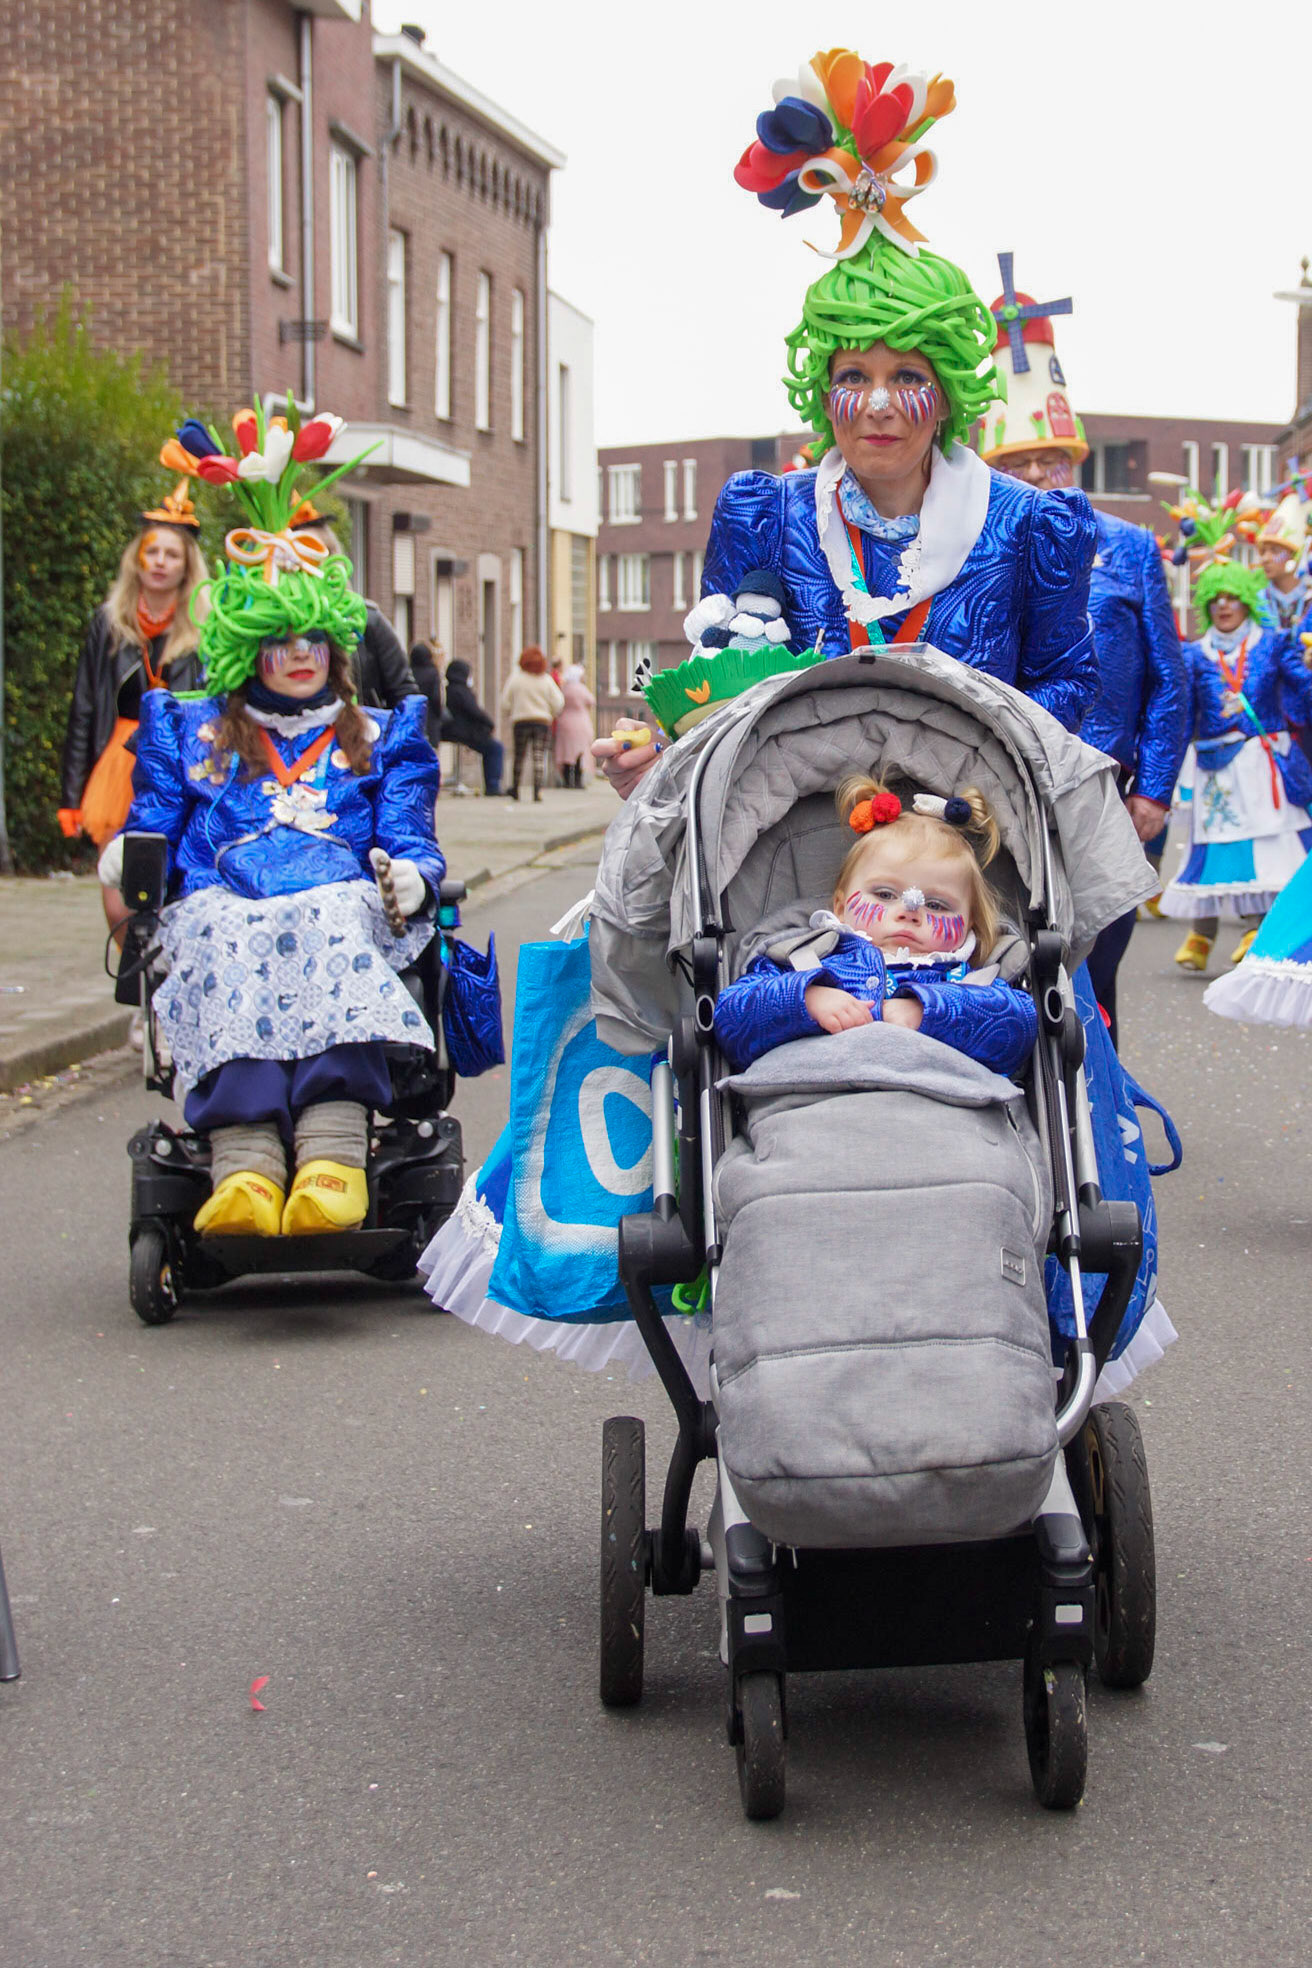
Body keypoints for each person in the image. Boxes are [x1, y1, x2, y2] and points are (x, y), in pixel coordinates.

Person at [595, 62, 1096, 796]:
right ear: (824, 393)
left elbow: (1067, 683)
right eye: (854, 375)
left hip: (965, 839)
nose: (878, 404)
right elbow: (720, 682)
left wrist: (976, 762)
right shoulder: (767, 515)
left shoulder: (1028, 526)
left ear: (947, 395)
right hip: (789, 845)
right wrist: (659, 755)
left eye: (909, 376)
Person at [98, 400, 443, 1238]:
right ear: (245, 648)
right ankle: (246, 1165)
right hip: (227, 899)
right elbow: (157, 820)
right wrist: (132, 855)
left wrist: (413, 874)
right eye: (279, 639)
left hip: (340, 897)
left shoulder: (383, 734)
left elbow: (407, 830)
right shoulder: (189, 728)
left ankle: (330, 1155)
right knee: (215, 925)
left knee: (333, 918)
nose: (298, 655)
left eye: (313, 640)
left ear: (335, 648)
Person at [977, 255, 1188, 1046]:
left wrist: (1155, 789)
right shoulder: (981, 548)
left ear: (1076, 458)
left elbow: (1169, 682)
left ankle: (1105, 1106)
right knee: (1015, 969)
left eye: (1050, 459)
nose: (1038, 475)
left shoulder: (1130, 547)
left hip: (1113, 794)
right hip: (1010, 795)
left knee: (1101, 974)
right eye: (1018, 463)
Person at [714, 778, 1037, 1076]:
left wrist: (929, 1010)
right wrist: (806, 999)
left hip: (944, 1109)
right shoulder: (805, 962)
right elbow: (731, 1019)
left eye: (936, 905)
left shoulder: (969, 981)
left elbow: (1018, 1030)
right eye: (884, 895)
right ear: (840, 907)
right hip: (813, 1101)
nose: (909, 912)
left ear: (969, 925)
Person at [59, 484, 209, 942]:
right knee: (117, 893)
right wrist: (71, 795)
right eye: (152, 552)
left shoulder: (204, 626)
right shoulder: (108, 622)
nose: (160, 562)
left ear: (187, 566)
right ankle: (133, 972)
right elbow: (84, 708)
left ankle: (163, 975)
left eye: (172, 554)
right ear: (137, 559)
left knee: (172, 886)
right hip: (119, 763)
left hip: (178, 761)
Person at [1159, 558, 1312, 970]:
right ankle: (1202, 934)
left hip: (1262, 764)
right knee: (1214, 848)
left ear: (1247, 602)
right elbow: (1182, 716)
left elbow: (1304, 690)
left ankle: (1259, 928)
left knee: (1267, 846)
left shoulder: (1273, 643)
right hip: (1215, 768)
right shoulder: (1195, 654)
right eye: (1216, 599)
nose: (1224, 606)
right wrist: (1165, 776)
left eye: (1233, 598)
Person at [287, 509, 416, 708]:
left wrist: (383, 726)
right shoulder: (276, 624)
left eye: (314, 555)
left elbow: (405, 694)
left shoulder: (367, 620)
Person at [500, 647, 564, 802]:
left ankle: (515, 789)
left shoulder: (516, 679)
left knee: (519, 756)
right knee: (539, 756)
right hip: (541, 721)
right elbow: (559, 702)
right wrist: (551, 713)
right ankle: (537, 791)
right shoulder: (546, 680)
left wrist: (512, 711)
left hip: (521, 721)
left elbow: (505, 702)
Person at [442, 659, 504, 796]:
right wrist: (489, 723)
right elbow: (474, 711)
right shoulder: (461, 691)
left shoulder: (450, 689)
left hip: (455, 730)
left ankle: (492, 785)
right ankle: (493, 785)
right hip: (463, 732)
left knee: (492, 747)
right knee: (495, 748)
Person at [554, 663, 595, 789]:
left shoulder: (564, 688)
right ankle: (577, 780)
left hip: (565, 722)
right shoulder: (581, 689)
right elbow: (591, 701)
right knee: (579, 752)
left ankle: (567, 780)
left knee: (566, 751)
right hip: (580, 722)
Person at [408, 637, 446, 751]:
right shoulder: (433, 673)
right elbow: (436, 698)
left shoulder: (408, 672)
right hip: (429, 719)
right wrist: (439, 714)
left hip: (413, 718)